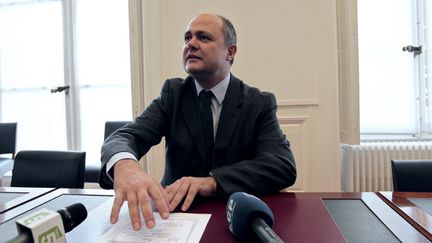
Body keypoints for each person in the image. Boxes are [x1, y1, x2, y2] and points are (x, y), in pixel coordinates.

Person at [99, 13, 296, 231]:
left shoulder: (258, 102)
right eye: (187, 38)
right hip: (175, 218)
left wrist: (212, 182)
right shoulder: (173, 94)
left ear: (230, 52)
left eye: (203, 37)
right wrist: (126, 166)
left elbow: (282, 165)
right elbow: (123, 137)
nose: (190, 44)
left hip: (234, 219)